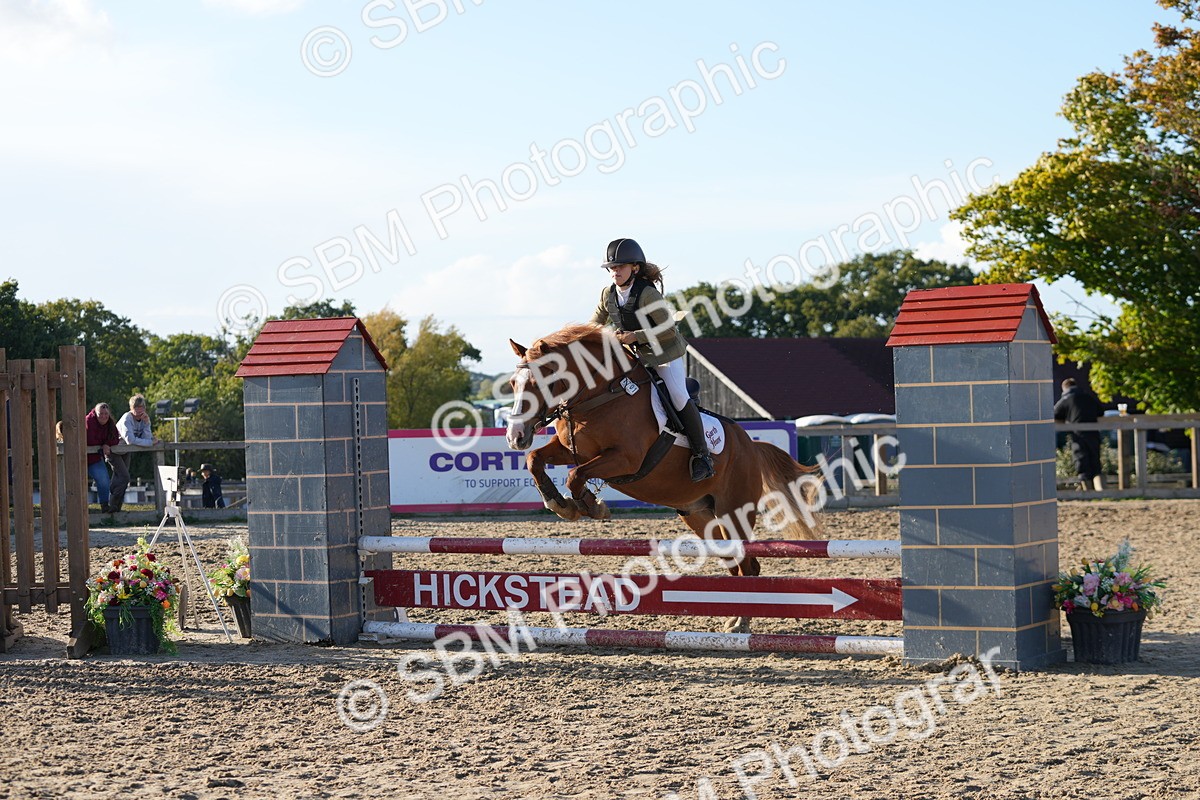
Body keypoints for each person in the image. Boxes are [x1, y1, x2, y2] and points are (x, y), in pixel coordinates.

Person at [588, 238, 714, 482]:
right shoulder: (608, 294)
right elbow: (593, 324)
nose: (615, 271)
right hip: (636, 355)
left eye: (620, 267)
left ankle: (702, 455)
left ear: (634, 268)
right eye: (611, 268)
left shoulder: (647, 294)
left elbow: (668, 329)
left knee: (677, 395)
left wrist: (635, 336)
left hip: (664, 353)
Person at [1054, 377, 1105, 491]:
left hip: (1078, 435)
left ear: (1065, 388)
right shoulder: (1088, 397)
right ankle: (1100, 490)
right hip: (1093, 433)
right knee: (1095, 461)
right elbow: (1100, 411)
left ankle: (1087, 490)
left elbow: (1055, 413)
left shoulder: (1067, 398)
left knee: (1081, 460)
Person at [85, 402, 130, 513]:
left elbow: (115, 437)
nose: (104, 416)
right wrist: (103, 444)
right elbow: (89, 440)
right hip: (79, 458)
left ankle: (105, 506)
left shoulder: (110, 423)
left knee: (104, 480)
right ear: (95, 413)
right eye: (101, 413)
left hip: (95, 458)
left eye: (106, 414)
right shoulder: (88, 422)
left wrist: (106, 443)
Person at [116, 393, 162, 485]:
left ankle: (116, 499)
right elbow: (130, 440)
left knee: (122, 479)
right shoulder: (127, 419)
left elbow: (146, 437)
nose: (139, 409)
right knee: (123, 477)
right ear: (131, 408)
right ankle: (112, 499)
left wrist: (147, 424)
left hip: (126, 451)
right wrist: (150, 442)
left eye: (141, 406)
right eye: (136, 406)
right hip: (114, 450)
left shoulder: (144, 418)